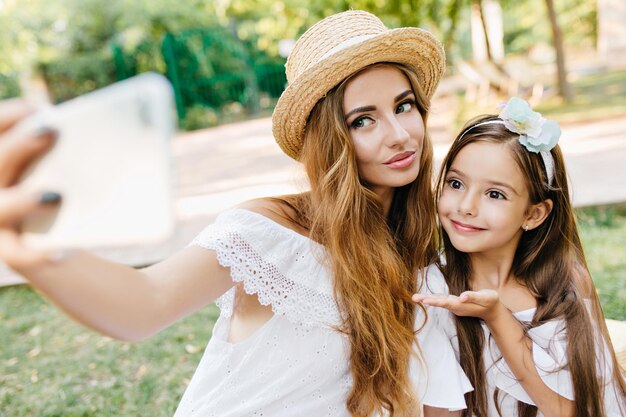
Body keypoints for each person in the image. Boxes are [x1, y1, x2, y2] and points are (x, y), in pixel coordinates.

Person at [0, 10, 472, 417]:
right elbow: (146, 302)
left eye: (404, 106)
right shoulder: (269, 232)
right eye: (362, 120)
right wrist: (31, 249)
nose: (398, 134)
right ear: (332, 141)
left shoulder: (417, 245)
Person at [413, 97, 626, 417]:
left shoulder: (565, 283)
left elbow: (570, 410)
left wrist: (497, 317)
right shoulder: (434, 289)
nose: (466, 205)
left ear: (534, 213)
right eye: (456, 183)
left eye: (494, 194)